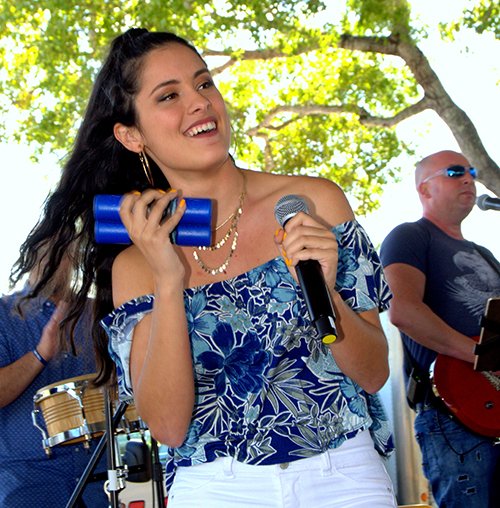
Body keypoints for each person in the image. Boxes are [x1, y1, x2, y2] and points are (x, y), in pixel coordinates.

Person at [12, 28, 397, 507]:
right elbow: (170, 428)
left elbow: (374, 373)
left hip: (346, 475)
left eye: (204, 83)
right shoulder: (135, 266)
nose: (198, 102)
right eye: (169, 95)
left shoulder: (311, 203)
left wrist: (328, 291)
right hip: (216, 487)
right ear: (132, 135)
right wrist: (169, 281)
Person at [380, 150, 500, 508]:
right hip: (453, 409)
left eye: (472, 172)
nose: (469, 178)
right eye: (454, 172)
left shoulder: (484, 254)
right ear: (425, 189)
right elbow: (402, 309)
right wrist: (481, 357)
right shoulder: (410, 236)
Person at [0, 253, 108, 507]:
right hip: (27, 479)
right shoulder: (4, 315)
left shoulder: (95, 314)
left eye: (63, 251)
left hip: (95, 474)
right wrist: (40, 354)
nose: (51, 258)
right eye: (43, 249)